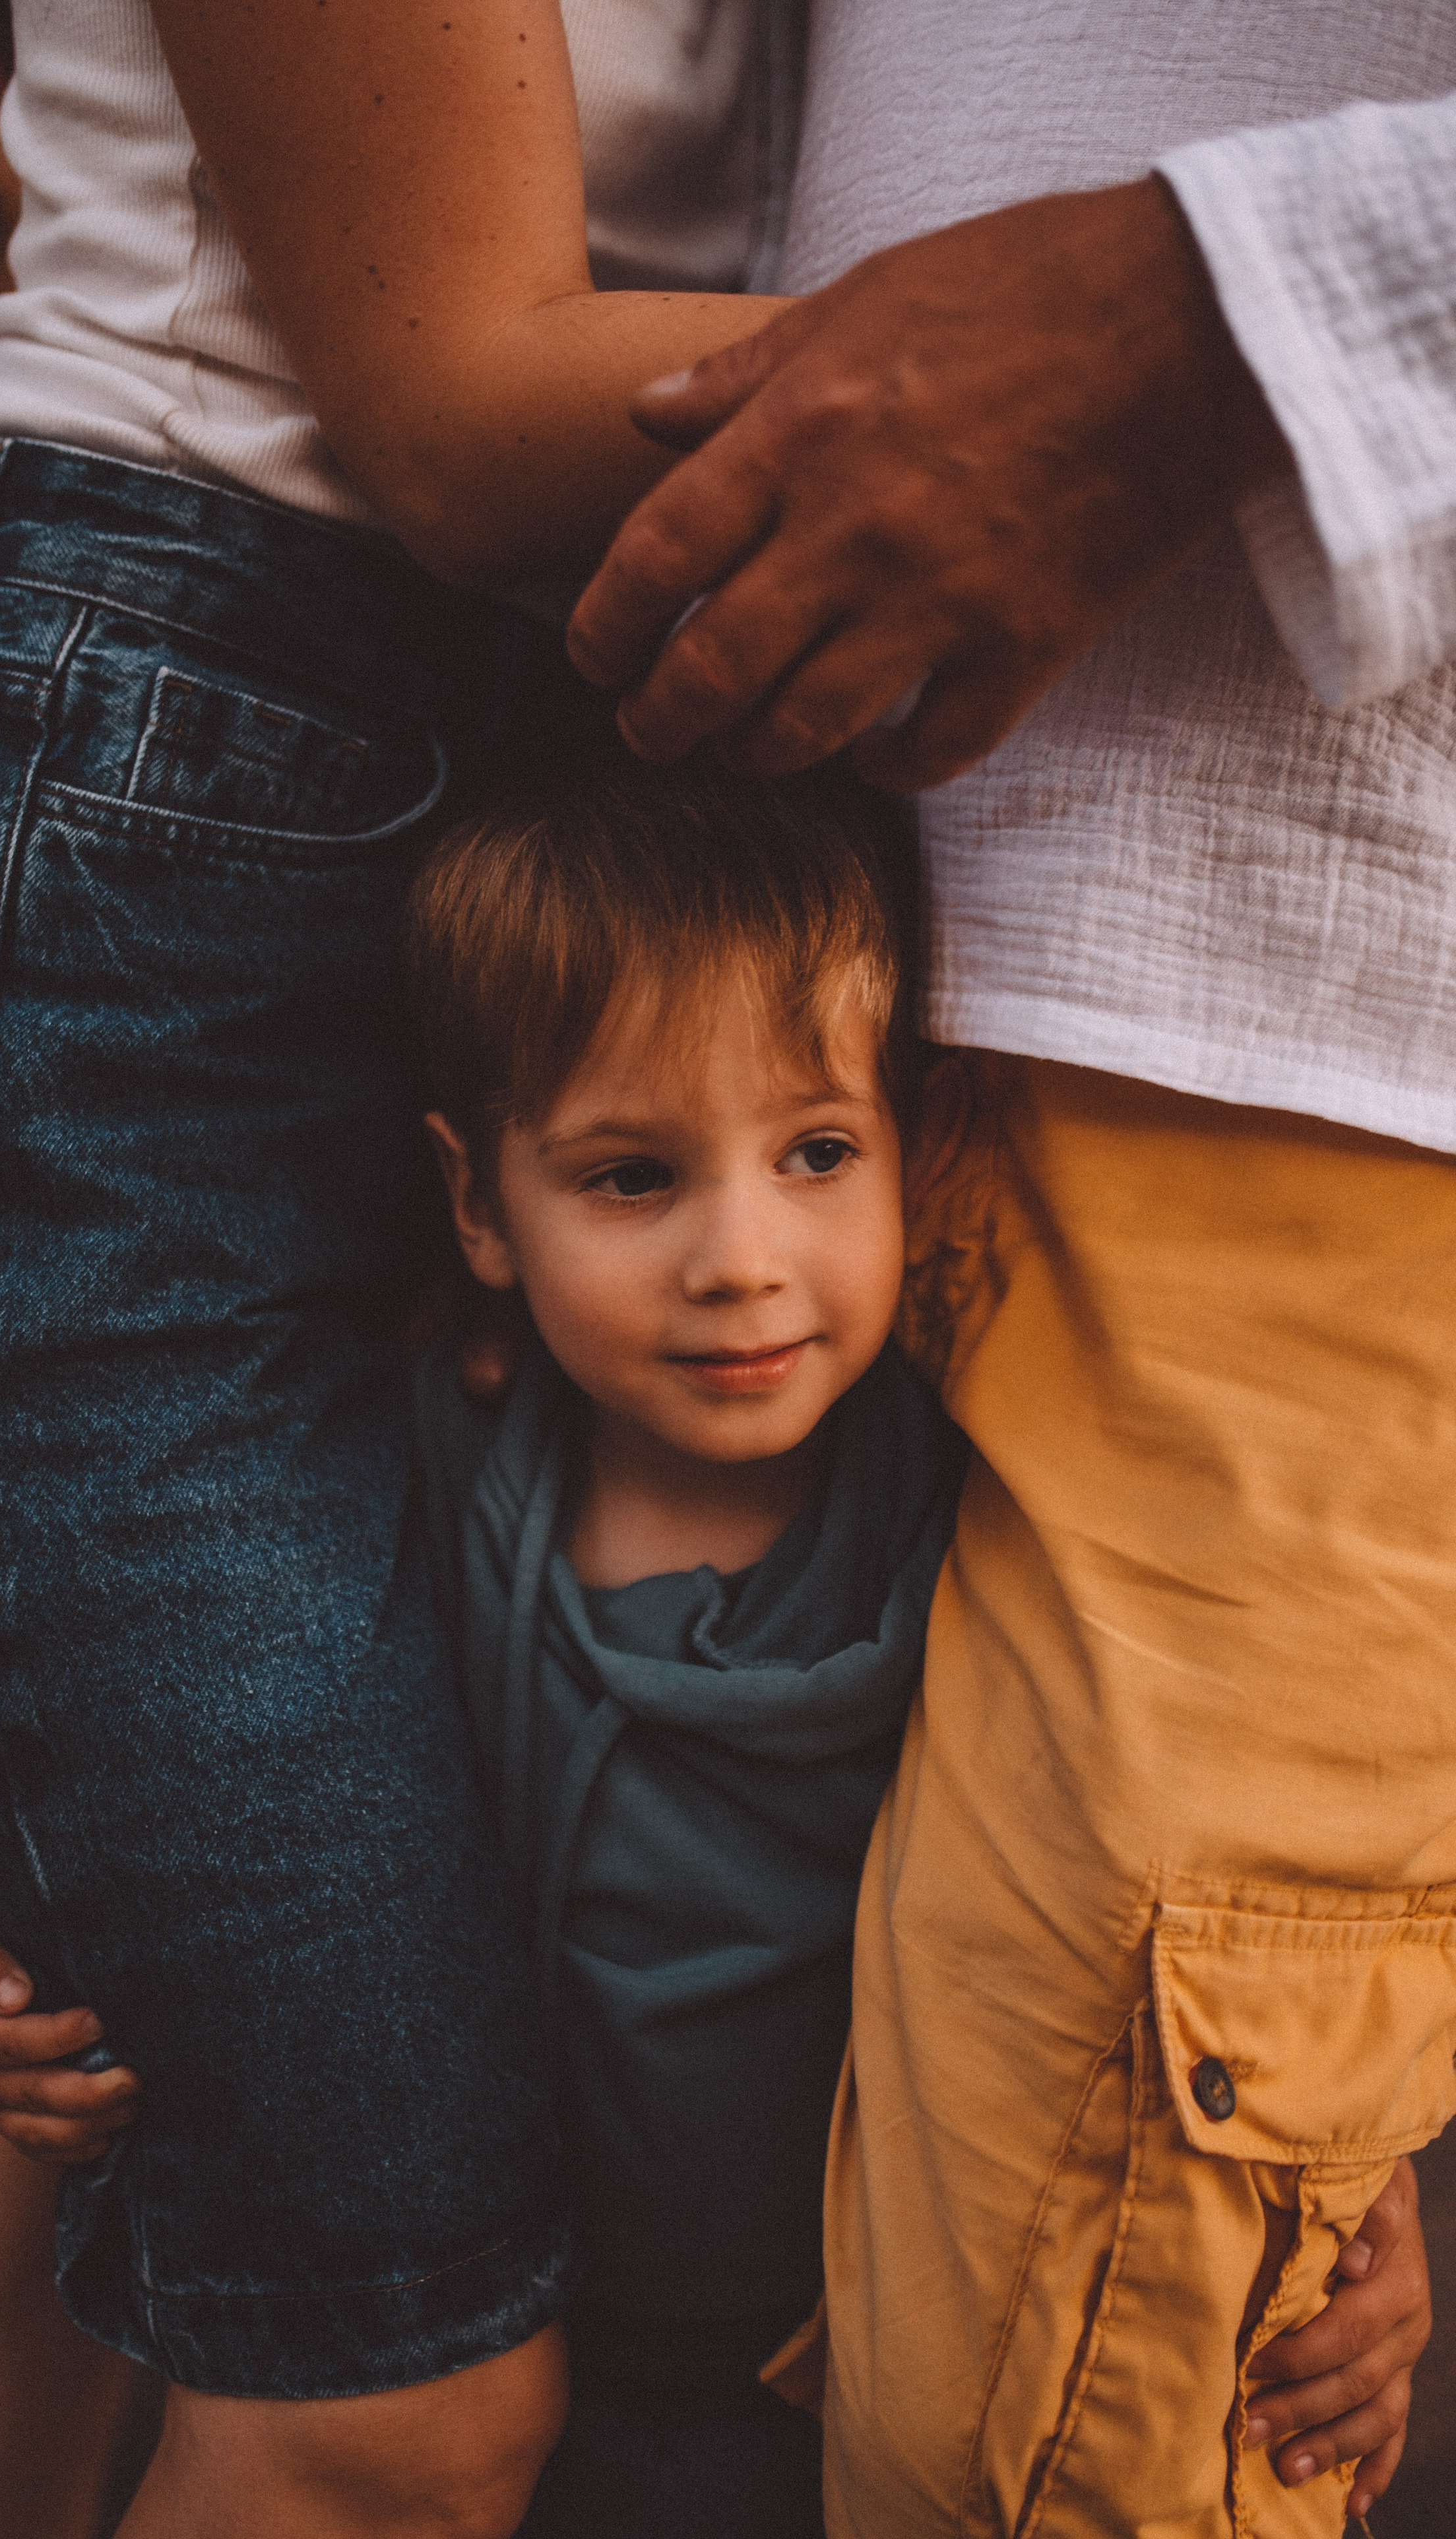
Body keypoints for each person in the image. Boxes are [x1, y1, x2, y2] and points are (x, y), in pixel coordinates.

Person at [0, 742, 1428, 2537]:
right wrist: (28, 2004)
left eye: (815, 1154)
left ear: (912, 1152)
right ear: (481, 1206)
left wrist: (1351, 2185)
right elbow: (229, 1839)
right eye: (633, 1177)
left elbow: (1214, 1893)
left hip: (846, 2399)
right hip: (518, 2384)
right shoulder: (415, 1486)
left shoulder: (987, 1503)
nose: (741, 1255)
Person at [0, 5, 818, 2534]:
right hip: (175, 795)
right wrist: (1241, 319)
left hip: (627, 812)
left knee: (198, 2073)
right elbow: (452, 404)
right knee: (395, 2399)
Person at [565, 10, 1456, 2534]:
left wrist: (1239, 314)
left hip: (1291, 1028)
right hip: (779, 929)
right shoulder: (604, 1292)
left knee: (1034, 2451)